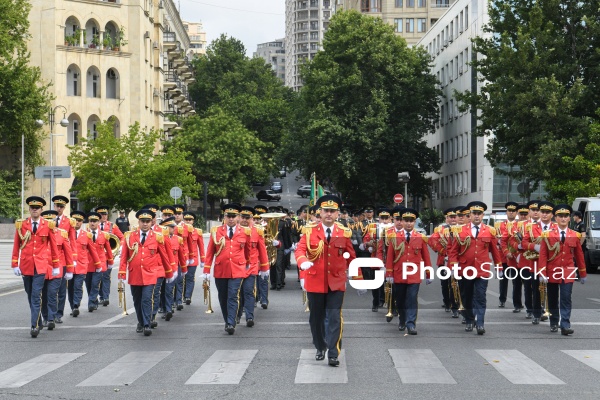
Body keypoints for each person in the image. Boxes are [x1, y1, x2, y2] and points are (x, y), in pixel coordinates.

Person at [295, 195, 364, 367]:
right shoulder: (309, 231)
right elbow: (300, 250)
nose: (329, 214)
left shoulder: (344, 232)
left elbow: (350, 256)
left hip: (336, 282)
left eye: (332, 211)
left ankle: (333, 353)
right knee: (316, 318)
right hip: (315, 281)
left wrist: (358, 277)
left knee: (334, 317)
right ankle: (320, 346)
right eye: (326, 211)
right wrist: (303, 263)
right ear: (320, 212)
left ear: (337, 214)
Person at [447, 201, 502, 335]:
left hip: (482, 269)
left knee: (481, 296)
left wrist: (499, 267)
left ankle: (480, 323)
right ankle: (469, 319)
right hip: (465, 269)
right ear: (470, 215)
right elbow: (453, 251)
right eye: (474, 213)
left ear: (483, 215)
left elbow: (495, 251)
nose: (476, 216)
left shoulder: (489, 231)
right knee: (466, 296)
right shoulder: (460, 230)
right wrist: (453, 266)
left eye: (479, 214)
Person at [118, 209, 175, 336]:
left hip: (150, 274)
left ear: (151, 222)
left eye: (147, 221)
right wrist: (122, 273)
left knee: (147, 299)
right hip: (135, 274)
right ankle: (141, 321)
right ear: (138, 222)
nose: (145, 224)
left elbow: (164, 256)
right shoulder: (130, 236)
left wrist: (169, 273)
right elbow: (124, 257)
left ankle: (146, 324)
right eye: (143, 221)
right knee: (137, 300)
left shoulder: (157, 237)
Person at [12, 196, 61, 338]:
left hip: (41, 265)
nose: (35, 210)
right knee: (29, 294)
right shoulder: (22, 225)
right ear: (29, 209)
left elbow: (53, 246)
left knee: (35, 295)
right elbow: (16, 245)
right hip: (26, 265)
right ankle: (38, 320)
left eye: (37, 208)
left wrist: (56, 265)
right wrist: (15, 263)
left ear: (41, 210)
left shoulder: (48, 225)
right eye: (32, 208)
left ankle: (33, 325)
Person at [203, 204, 252, 335]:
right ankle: (227, 320)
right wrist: (206, 270)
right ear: (224, 217)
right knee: (223, 297)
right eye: (228, 216)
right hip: (221, 269)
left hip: (237, 269)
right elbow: (210, 252)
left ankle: (231, 322)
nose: (231, 219)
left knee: (233, 295)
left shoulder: (245, 232)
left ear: (238, 217)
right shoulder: (216, 231)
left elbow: (247, 251)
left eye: (233, 216)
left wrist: (247, 264)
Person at [538, 204, 587, 335]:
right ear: (556, 218)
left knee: (566, 297)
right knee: (553, 298)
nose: (563, 219)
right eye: (560, 216)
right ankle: (554, 322)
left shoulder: (575, 235)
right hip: (552, 270)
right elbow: (543, 254)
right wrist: (542, 272)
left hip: (568, 271)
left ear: (569, 218)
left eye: (566, 216)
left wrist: (582, 273)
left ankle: (565, 324)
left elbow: (579, 255)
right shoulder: (547, 234)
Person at [385, 208, 432, 335]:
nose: (408, 223)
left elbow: (426, 256)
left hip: (414, 274)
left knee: (411, 298)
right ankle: (402, 319)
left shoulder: (420, 237)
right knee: (400, 299)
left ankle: (411, 324)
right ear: (402, 221)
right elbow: (390, 257)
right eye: (406, 220)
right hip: (399, 273)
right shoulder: (394, 237)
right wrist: (389, 273)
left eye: (411, 221)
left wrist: (429, 273)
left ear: (414, 222)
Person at [235, 206, 269, 327]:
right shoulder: (235, 230)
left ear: (251, 219)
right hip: (237, 267)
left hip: (252, 267)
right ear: (239, 217)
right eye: (243, 217)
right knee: (238, 293)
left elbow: (262, 250)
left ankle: (249, 317)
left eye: (247, 218)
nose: (244, 220)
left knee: (248, 291)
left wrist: (265, 267)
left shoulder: (257, 231)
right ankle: (237, 316)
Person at [40, 210, 74, 330]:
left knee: (52, 294)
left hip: (56, 269)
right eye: (47, 220)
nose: (50, 222)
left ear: (55, 221)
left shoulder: (62, 234)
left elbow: (68, 252)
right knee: (43, 295)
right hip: (42, 269)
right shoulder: (39, 233)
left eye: (52, 220)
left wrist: (70, 269)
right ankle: (45, 317)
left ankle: (51, 318)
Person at [67, 211, 101, 318]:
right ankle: (73, 306)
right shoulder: (65, 234)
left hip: (82, 265)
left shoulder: (86, 235)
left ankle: (76, 305)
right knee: (71, 287)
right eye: (75, 220)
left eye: (79, 221)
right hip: (69, 266)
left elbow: (92, 250)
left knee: (78, 285)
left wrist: (98, 264)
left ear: (82, 222)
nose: (77, 222)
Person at [51, 196, 76, 324]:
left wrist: (73, 259)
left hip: (63, 260)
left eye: (61, 206)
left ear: (64, 207)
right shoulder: (47, 219)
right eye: (57, 206)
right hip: (50, 261)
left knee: (61, 289)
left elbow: (72, 241)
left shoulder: (69, 222)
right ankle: (50, 313)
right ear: (54, 206)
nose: (59, 208)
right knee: (50, 290)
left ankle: (58, 314)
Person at [428, 208, 458, 316]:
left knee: (455, 283)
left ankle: (455, 303)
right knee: (445, 283)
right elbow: (432, 240)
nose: (453, 219)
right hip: (443, 260)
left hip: (456, 261)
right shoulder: (440, 229)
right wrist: (441, 250)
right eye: (451, 217)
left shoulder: (460, 229)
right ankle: (447, 302)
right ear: (446, 218)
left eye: (455, 217)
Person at [95, 205, 124, 307]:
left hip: (108, 256)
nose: (104, 216)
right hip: (96, 256)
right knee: (97, 278)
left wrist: (118, 249)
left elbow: (121, 237)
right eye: (102, 214)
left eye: (105, 214)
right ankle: (100, 296)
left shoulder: (112, 226)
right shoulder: (94, 225)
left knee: (106, 277)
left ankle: (105, 297)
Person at [85, 212, 114, 312]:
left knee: (95, 283)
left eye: (95, 221)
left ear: (98, 222)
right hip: (88, 264)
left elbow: (108, 249)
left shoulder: (104, 235)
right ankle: (94, 300)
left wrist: (110, 262)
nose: (92, 223)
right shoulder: (85, 235)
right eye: (90, 221)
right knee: (88, 284)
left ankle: (91, 303)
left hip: (100, 264)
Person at [498, 202, 519, 308]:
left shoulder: (519, 225)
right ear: (506, 212)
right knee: (503, 279)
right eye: (509, 211)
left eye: (513, 211)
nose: (511, 213)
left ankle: (517, 302)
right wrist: (506, 252)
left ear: (516, 213)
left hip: (515, 256)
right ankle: (502, 299)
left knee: (516, 280)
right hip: (503, 255)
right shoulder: (500, 225)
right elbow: (499, 240)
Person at [183, 211, 205, 305]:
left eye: (190, 220)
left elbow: (201, 246)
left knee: (190, 277)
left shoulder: (197, 232)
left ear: (193, 221)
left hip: (193, 259)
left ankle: (188, 296)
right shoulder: (180, 230)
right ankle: (180, 297)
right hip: (182, 258)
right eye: (186, 220)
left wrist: (203, 260)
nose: (188, 221)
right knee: (180, 278)